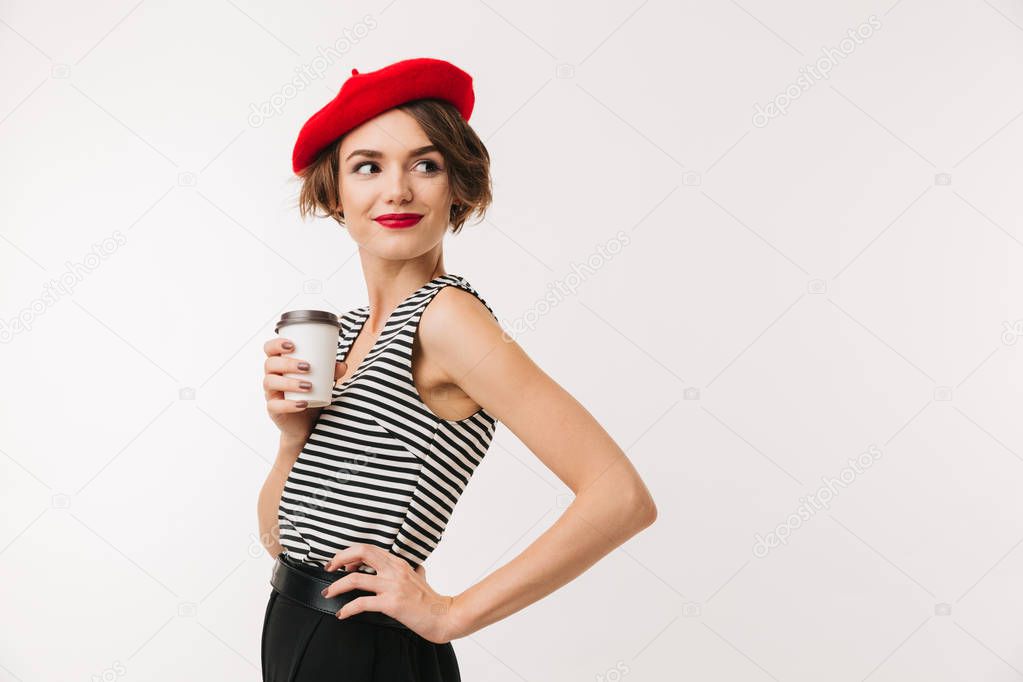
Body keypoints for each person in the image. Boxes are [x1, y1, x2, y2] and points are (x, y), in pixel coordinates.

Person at [257, 57, 658, 681]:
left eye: (426, 164)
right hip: (297, 631)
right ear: (335, 193)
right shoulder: (356, 329)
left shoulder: (445, 319)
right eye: (368, 166)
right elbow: (280, 543)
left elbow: (621, 497)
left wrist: (451, 614)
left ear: (459, 186)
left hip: (365, 652)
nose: (397, 190)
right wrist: (292, 439)